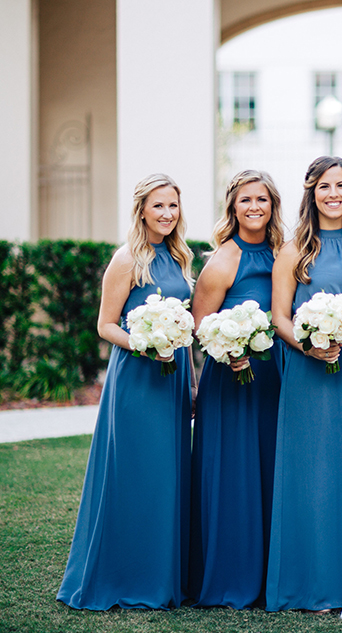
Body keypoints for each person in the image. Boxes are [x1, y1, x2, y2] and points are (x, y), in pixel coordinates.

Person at [57, 174, 194, 610]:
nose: (167, 214)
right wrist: (145, 344)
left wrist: (190, 381)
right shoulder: (126, 259)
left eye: (173, 206)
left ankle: (163, 577)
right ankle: (126, 576)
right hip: (137, 379)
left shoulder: (180, 257)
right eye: (159, 206)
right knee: (136, 474)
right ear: (142, 210)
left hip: (171, 380)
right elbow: (105, 325)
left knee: (167, 477)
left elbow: (185, 328)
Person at [265, 156, 342, 612]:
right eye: (324, 187)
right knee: (310, 473)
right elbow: (279, 317)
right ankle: (306, 581)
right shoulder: (295, 249)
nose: (333, 194)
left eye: (341, 186)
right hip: (307, 370)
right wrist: (309, 345)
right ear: (310, 193)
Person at [188, 170, 284, 608]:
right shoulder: (224, 260)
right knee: (234, 475)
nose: (254, 207)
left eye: (261, 199)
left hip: (273, 381)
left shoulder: (284, 252)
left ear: (272, 205)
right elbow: (199, 327)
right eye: (245, 200)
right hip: (232, 381)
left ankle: (272, 572)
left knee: (270, 472)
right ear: (233, 207)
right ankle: (230, 576)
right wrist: (229, 352)